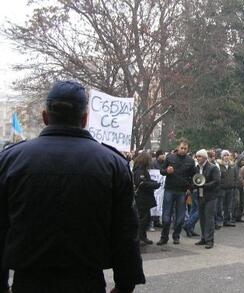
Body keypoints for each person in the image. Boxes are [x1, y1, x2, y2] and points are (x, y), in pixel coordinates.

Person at [0, 80, 145, 292]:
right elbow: (125, 231)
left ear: (45, 116)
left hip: (29, 281)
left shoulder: (10, 160)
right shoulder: (112, 163)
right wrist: (125, 283)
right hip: (86, 282)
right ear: (85, 119)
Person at [157, 138, 196, 246]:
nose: (183, 150)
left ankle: (176, 236)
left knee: (180, 218)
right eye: (181, 148)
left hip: (182, 191)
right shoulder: (170, 158)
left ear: (188, 149)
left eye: (185, 148)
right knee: (166, 217)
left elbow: (194, 176)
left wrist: (190, 188)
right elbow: (161, 171)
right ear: (177, 148)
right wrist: (166, 171)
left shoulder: (190, 161)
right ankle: (164, 237)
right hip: (169, 189)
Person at [193, 149, 221, 249]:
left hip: (211, 196)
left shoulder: (213, 168)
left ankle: (210, 240)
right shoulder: (197, 167)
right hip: (200, 196)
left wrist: (203, 185)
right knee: (202, 218)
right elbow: (195, 179)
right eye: (197, 156)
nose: (197, 158)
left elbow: (216, 181)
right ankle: (204, 238)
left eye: (199, 156)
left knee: (209, 218)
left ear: (204, 157)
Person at [133, 152, 161, 245]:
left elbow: (145, 181)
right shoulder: (140, 170)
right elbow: (142, 183)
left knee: (146, 218)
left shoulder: (141, 170)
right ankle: (140, 237)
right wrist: (154, 184)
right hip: (142, 197)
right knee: (143, 218)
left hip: (144, 197)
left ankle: (143, 236)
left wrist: (153, 182)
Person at [217, 150, 237, 228]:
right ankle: (219, 221)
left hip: (230, 188)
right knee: (220, 206)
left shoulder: (232, 166)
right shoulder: (218, 165)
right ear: (222, 157)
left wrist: (234, 184)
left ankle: (227, 220)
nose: (226, 157)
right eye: (224, 155)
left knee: (228, 206)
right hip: (222, 188)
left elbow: (235, 176)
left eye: (227, 155)